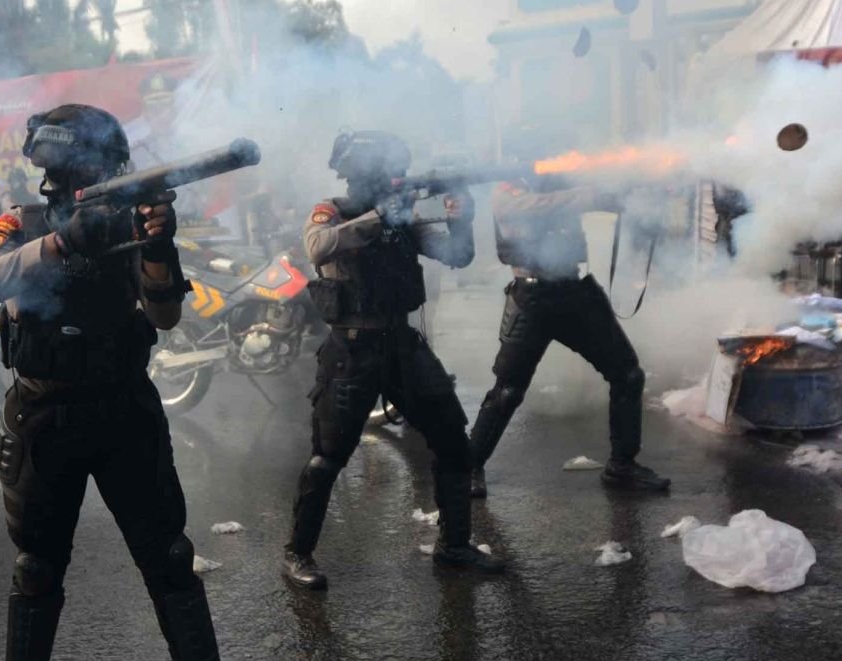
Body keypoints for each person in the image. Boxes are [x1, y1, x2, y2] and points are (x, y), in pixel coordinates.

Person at [0, 104, 262, 661]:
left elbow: (165, 315)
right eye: (85, 168)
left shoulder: (129, 222)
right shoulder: (23, 223)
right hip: (44, 414)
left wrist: (155, 245)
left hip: (124, 408)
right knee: (37, 566)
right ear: (57, 172)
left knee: (170, 559)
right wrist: (62, 243)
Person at [281, 130, 505, 591]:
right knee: (329, 457)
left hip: (401, 344)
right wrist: (378, 216)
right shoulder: (333, 210)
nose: (396, 178)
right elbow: (318, 247)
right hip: (351, 349)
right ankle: (297, 553)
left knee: (453, 443)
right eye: (386, 171)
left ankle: (454, 545)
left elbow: (458, 256)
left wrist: (461, 219)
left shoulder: (403, 219)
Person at [468, 136, 670, 498]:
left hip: (575, 291)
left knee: (627, 374)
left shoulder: (565, 185)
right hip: (533, 297)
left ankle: (623, 464)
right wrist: (590, 194)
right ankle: (468, 468)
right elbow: (531, 209)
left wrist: (637, 190)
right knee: (508, 391)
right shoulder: (509, 190)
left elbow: (609, 196)